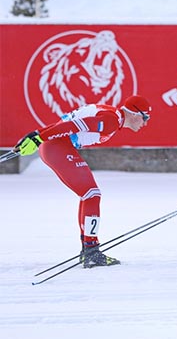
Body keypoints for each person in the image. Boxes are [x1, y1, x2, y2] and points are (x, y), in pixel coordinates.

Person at [13, 95, 152, 268]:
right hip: (56, 146)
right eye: (145, 118)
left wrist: (37, 135)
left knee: (88, 195)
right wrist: (38, 137)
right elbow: (74, 126)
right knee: (91, 194)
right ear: (134, 114)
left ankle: (88, 248)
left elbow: (66, 124)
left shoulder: (111, 114)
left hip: (54, 145)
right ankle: (91, 250)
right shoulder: (111, 120)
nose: (145, 123)